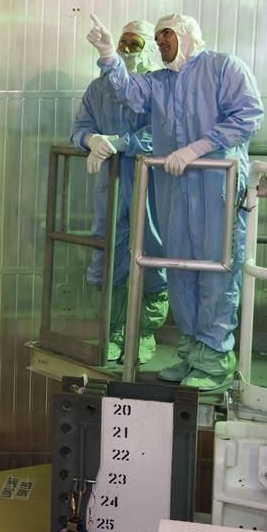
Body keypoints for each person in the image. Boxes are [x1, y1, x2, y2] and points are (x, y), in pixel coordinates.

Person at [86, 13, 264, 391]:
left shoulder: (223, 67)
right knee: (179, 267)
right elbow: (129, 95)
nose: (161, 41)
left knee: (217, 266)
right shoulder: (159, 82)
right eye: (159, 36)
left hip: (217, 184)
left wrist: (199, 148)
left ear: (186, 35)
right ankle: (191, 350)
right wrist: (108, 57)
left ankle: (215, 357)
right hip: (174, 189)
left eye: (166, 34)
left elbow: (248, 115)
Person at [70, 21, 169, 366]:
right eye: (123, 43)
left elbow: (162, 133)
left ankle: (143, 332)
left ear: (148, 51)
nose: (126, 49)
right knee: (110, 253)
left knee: (153, 254)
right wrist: (91, 140)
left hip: (152, 185)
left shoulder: (159, 87)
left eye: (134, 44)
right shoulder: (98, 90)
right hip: (111, 186)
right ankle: (112, 331)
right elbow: (79, 129)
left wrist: (121, 142)